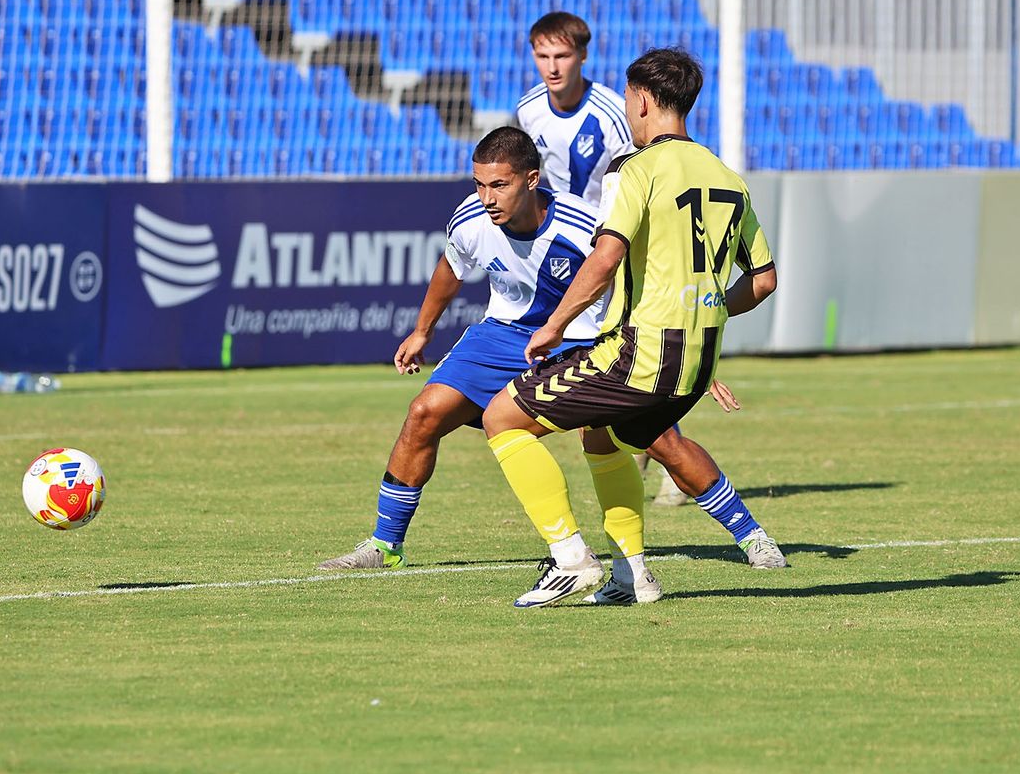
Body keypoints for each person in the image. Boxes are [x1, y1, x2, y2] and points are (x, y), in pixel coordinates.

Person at [317, 127, 776, 604]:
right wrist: (422, 331)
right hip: (501, 336)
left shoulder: (584, 224)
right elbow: (450, 269)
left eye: (499, 185)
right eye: (479, 184)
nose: (487, 198)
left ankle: (750, 536)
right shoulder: (469, 219)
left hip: (582, 337)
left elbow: (634, 282)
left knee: (655, 440)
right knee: (423, 413)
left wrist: (676, 352)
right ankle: (385, 546)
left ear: (531, 179)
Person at [481, 47, 782, 608]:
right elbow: (763, 281)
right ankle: (633, 576)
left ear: (642, 99)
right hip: (697, 363)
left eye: (626, 96)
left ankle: (571, 559)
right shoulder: (728, 178)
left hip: (640, 353)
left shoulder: (636, 170)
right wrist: (704, 312)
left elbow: (606, 257)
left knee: (502, 418)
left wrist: (554, 324)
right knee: (603, 435)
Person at [513, 10, 692, 507]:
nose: (552, 66)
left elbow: (644, 167)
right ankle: (639, 445)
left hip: (612, 247)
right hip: (565, 249)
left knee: (630, 351)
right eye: (543, 56)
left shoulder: (614, 111)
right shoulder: (528, 109)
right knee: (599, 356)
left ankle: (669, 458)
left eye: (562, 55)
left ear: (583, 56)